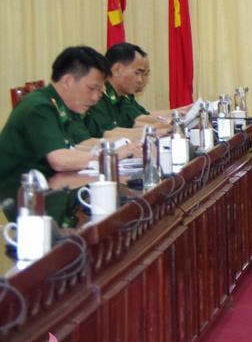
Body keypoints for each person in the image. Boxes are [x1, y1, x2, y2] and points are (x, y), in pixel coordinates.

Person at [0, 46, 127, 222]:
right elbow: (60, 160)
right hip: (27, 200)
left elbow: (76, 147)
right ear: (67, 81)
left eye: (99, 90)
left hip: (55, 188)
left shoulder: (64, 107)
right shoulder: (39, 107)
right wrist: (110, 156)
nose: (95, 98)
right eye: (92, 88)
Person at [87, 42, 155, 137]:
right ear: (117, 70)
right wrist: (156, 130)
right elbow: (107, 132)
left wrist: (162, 127)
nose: (140, 80)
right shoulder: (97, 97)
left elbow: (135, 122)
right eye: (137, 73)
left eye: (145, 74)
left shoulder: (121, 97)